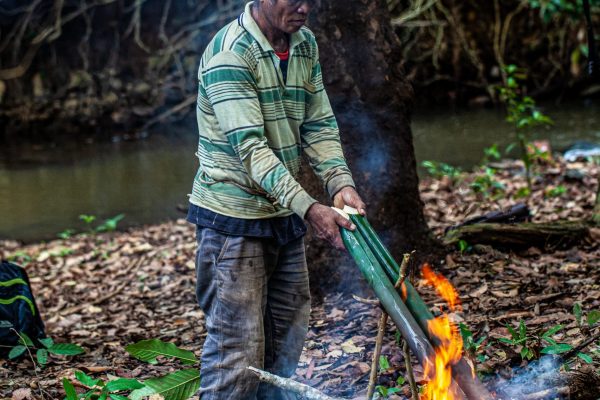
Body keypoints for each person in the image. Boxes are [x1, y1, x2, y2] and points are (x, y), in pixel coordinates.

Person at [187, 1, 366, 398]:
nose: (305, 8)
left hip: (281, 213)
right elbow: (251, 150)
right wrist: (311, 209)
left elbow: (318, 123)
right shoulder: (230, 54)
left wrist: (339, 182)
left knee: (284, 346)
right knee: (238, 357)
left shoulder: (303, 44)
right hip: (232, 220)